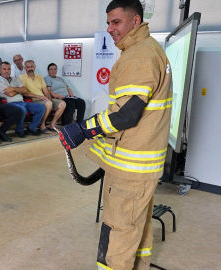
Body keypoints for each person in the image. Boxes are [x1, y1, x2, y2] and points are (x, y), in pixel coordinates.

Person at [58, 1, 173, 269]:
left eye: (116, 22)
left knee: (118, 231)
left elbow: (126, 114)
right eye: (108, 22)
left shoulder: (139, 55)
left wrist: (83, 129)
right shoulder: (147, 49)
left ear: (135, 21)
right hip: (142, 165)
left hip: (131, 169)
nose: (109, 29)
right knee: (137, 226)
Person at [0, 62, 45, 137]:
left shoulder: (15, 79)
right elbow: (10, 94)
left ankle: (31, 128)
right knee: (22, 109)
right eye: (4, 69)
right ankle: (19, 130)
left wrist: (12, 89)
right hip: (10, 104)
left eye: (8, 69)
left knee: (41, 108)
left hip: (22, 102)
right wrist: (18, 90)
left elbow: (24, 90)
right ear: (0, 70)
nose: (7, 71)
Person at [19, 60, 66, 134]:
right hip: (33, 100)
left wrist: (49, 99)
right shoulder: (21, 77)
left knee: (62, 104)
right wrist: (39, 97)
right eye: (27, 67)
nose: (30, 68)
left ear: (34, 67)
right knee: (48, 104)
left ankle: (52, 125)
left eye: (31, 66)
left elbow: (46, 91)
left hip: (44, 98)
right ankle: (42, 126)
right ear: (25, 68)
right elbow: (24, 93)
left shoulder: (39, 77)